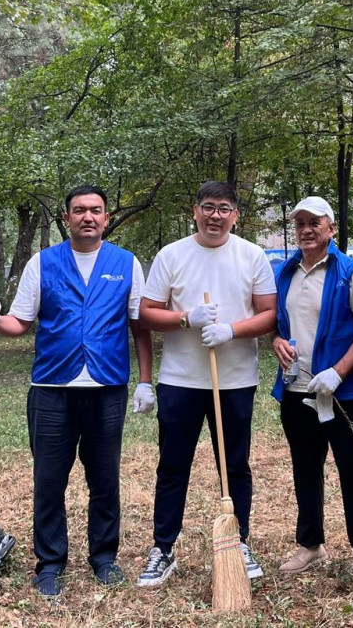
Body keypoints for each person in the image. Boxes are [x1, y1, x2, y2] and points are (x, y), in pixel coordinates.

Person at [0, 185, 153, 596]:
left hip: (107, 388)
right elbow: (20, 322)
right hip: (52, 388)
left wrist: (144, 381)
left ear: (106, 218)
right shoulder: (43, 262)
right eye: (79, 211)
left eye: (96, 211)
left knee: (104, 478)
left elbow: (139, 326)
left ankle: (104, 558)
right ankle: (50, 563)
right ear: (66, 218)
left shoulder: (125, 263)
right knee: (49, 480)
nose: (88, 217)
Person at [135, 180, 277, 587]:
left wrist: (231, 330)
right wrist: (185, 318)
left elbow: (269, 314)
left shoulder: (251, 255)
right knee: (173, 465)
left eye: (225, 208)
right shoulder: (172, 255)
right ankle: (163, 548)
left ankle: (240, 542)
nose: (216, 215)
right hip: (180, 380)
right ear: (195, 210)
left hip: (235, 380)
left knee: (234, 466)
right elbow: (146, 313)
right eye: (209, 207)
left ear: (236, 215)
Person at [270, 196, 353, 580]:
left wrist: (339, 371)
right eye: (299, 223)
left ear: (331, 228)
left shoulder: (351, 273)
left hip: (341, 392)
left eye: (315, 222)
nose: (306, 229)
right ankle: (310, 544)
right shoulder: (285, 272)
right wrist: (276, 341)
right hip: (296, 389)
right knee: (305, 468)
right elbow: (279, 323)